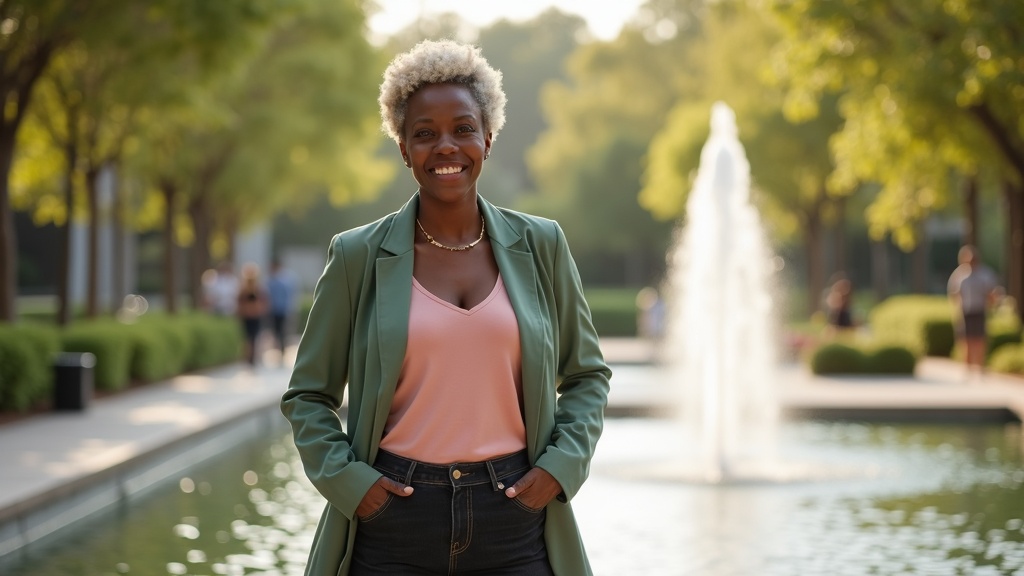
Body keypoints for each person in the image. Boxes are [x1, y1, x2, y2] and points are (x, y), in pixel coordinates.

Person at [281, 39, 611, 576]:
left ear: (488, 137)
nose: (446, 147)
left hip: (517, 519)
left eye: (463, 129)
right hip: (392, 521)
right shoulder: (357, 255)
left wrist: (560, 467)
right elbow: (308, 395)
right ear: (403, 147)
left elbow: (588, 375)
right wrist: (355, 487)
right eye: (424, 134)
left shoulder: (542, 244)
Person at [947, 244, 1000, 375]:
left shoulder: (985, 274)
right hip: (966, 310)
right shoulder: (959, 275)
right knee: (966, 339)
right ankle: (967, 367)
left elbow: (992, 293)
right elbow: (954, 293)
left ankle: (980, 366)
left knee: (980, 338)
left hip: (979, 309)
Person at [236, 263, 268, 366]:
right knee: (250, 338)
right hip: (250, 315)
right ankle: (249, 357)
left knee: (251, 338)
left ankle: (250, 357)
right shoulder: (244, 289)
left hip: (253, 315)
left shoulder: (257, 289)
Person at [266, 258, 298, 360]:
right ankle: (279, 349)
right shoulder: (272, 279)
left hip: (283, 309)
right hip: (275, 309)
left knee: (283, 331)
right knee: (276, 331)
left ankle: (282, 350)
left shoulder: (284, 278)